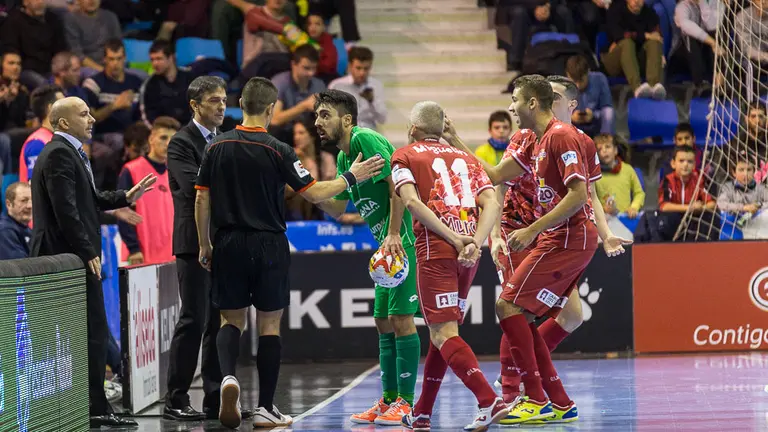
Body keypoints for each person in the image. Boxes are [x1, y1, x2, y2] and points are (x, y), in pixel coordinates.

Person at [194, 77, 385, 429]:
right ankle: (266, 408)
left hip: (228, 241)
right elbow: (315, 193)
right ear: (271, 109)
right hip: (269, 244)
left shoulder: (216, 146)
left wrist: (205, 244)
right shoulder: (279, 150)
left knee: (230, 320)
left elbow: (202, 197)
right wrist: (352, 177)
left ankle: (228, 379)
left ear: (241, 104)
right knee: (269, 324)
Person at [448, 75, 629, 417]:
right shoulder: (536, 139)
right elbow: (496, 176)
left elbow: (581, 195)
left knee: (511, 307)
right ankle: (554, 398)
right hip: (547, 234)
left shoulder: (562, 137)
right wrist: (454, 138)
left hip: (560, 235)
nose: (511, 107)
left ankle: (533, 398)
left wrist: (534, 229)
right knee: (522, 313)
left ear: (536, 102)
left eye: (515, 99)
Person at [29, 96, 154, 428]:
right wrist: (87, 251)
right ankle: (94, 407)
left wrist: (126, 196)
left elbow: (90, 198)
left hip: (69, 253)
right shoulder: (58, 153)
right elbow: (65, 210)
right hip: (66, 256)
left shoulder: (69, 152)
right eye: (84, 114)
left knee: (91, 332)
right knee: (92, 331)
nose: (92, 119)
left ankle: (92, 405)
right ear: (64, 122)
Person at [392, 101, 507, 431]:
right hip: (469, 255)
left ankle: (489, 399)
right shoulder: (469, 159)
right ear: (441, 129)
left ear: (414, 129)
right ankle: (422, 412)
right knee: (441, 334)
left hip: (437, 252)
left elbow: (411, 202)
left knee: (443, 333)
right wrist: (473, 241)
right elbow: (492, 203)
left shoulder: (405, 155)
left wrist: (454, 239)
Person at [312, 89, 421, 425]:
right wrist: (306, 188)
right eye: (316, 115)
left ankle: (406, 402)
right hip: (384, 252)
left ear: (347, 119)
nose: (317, 121)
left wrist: (392, 234)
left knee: (402, 320)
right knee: (382, 320)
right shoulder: (346, 159)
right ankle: (388, 400)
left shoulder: (365, 140)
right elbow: (337, 207)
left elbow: (398, 186)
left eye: (325, 114)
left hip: (401, 243)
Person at [164, 76, 232, 421]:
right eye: (214, 101)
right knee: (193, 320)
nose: (222, 106)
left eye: (223, 100)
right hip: (193, 244)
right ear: (195, 105)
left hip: (222, 242)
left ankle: (214, 398)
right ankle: (175, 398)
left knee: (218, 324)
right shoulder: (180, 142)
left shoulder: (223, 138)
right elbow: (196, 189)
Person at [118, 116, 180, 265]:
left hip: (173, 255)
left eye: (173, 139)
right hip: (140, 255)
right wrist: (133, 248)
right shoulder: (131, 170)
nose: (168, 143)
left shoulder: (177, 172)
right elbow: (122, 211)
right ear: (151, 139)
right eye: (163, 138)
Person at [0, 182, 32, 260]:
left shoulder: (27, 229)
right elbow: (22, 266)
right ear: (8, 204)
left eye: (32, 200)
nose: (30, 206)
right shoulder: (4, 230)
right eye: (24, 200)